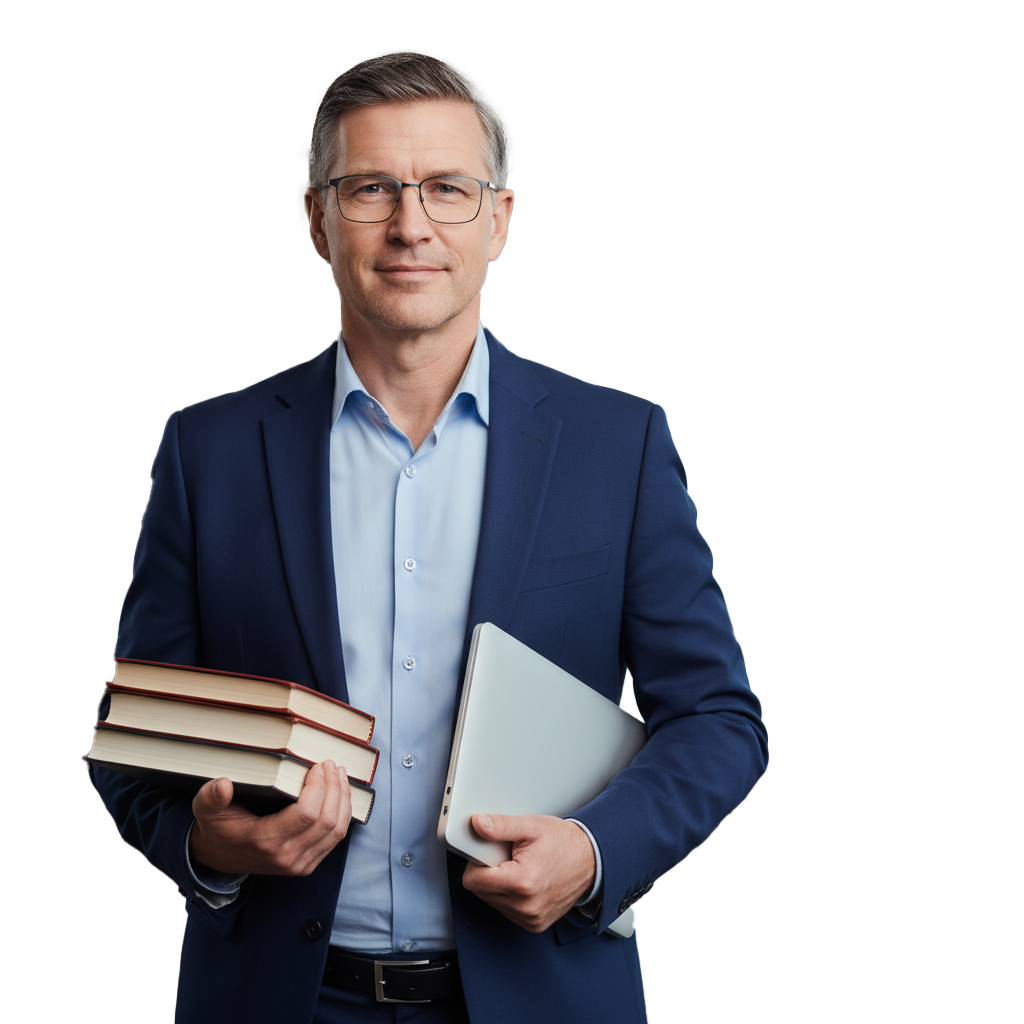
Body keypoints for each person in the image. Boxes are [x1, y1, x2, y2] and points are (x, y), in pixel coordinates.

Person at [90, 52, 769, 1024]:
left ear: (499, 221)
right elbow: (134, 733)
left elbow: (718, 721)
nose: (411, 226)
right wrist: (208, 849)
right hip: (276, 1001)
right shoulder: (208, 451)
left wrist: (594, 855)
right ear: (317, 217)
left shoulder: (616, 446)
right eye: (371, 188)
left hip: (542, 997)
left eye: (447, 189)